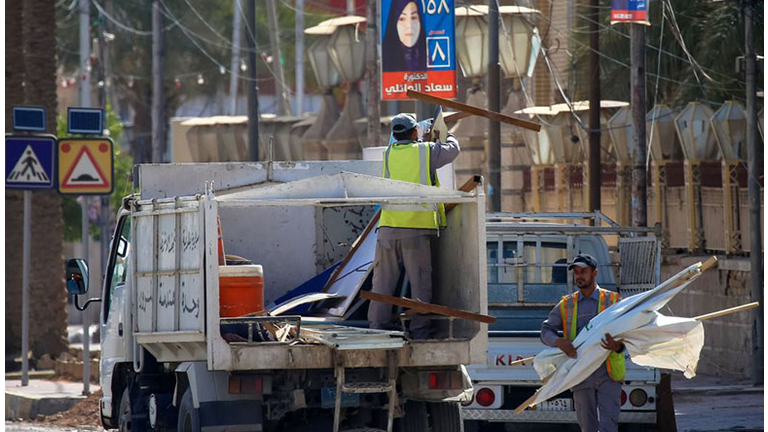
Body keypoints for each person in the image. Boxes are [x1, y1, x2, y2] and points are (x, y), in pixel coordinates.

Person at [367, 113, 460, 339]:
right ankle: (419, 331)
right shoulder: (425, 151)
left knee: (382, 285)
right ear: (415, 132)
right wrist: (448, 133)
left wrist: (420, 132)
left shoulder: (388, 154)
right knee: (420, 286)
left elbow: (401, 144)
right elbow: (453, 149)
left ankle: (376, 329)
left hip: (387, 230)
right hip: (414, 232)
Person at [540, 253, 626, 432]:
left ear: (594, 273)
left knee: (608, 427)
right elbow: (546, 331)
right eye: (576, 272)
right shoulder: (567, 304)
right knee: (587, 428)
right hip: (581, 375)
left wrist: (617, 346)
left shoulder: (613, 301)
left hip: (608, 374)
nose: (579, 276)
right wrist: (559, 342)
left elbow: (629, 335)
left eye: (583, 271)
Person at [382, 0, 427, 72]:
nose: (409, 25)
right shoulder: (384, 63)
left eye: (413, 18)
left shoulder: (431, 61)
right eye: (402, 19)